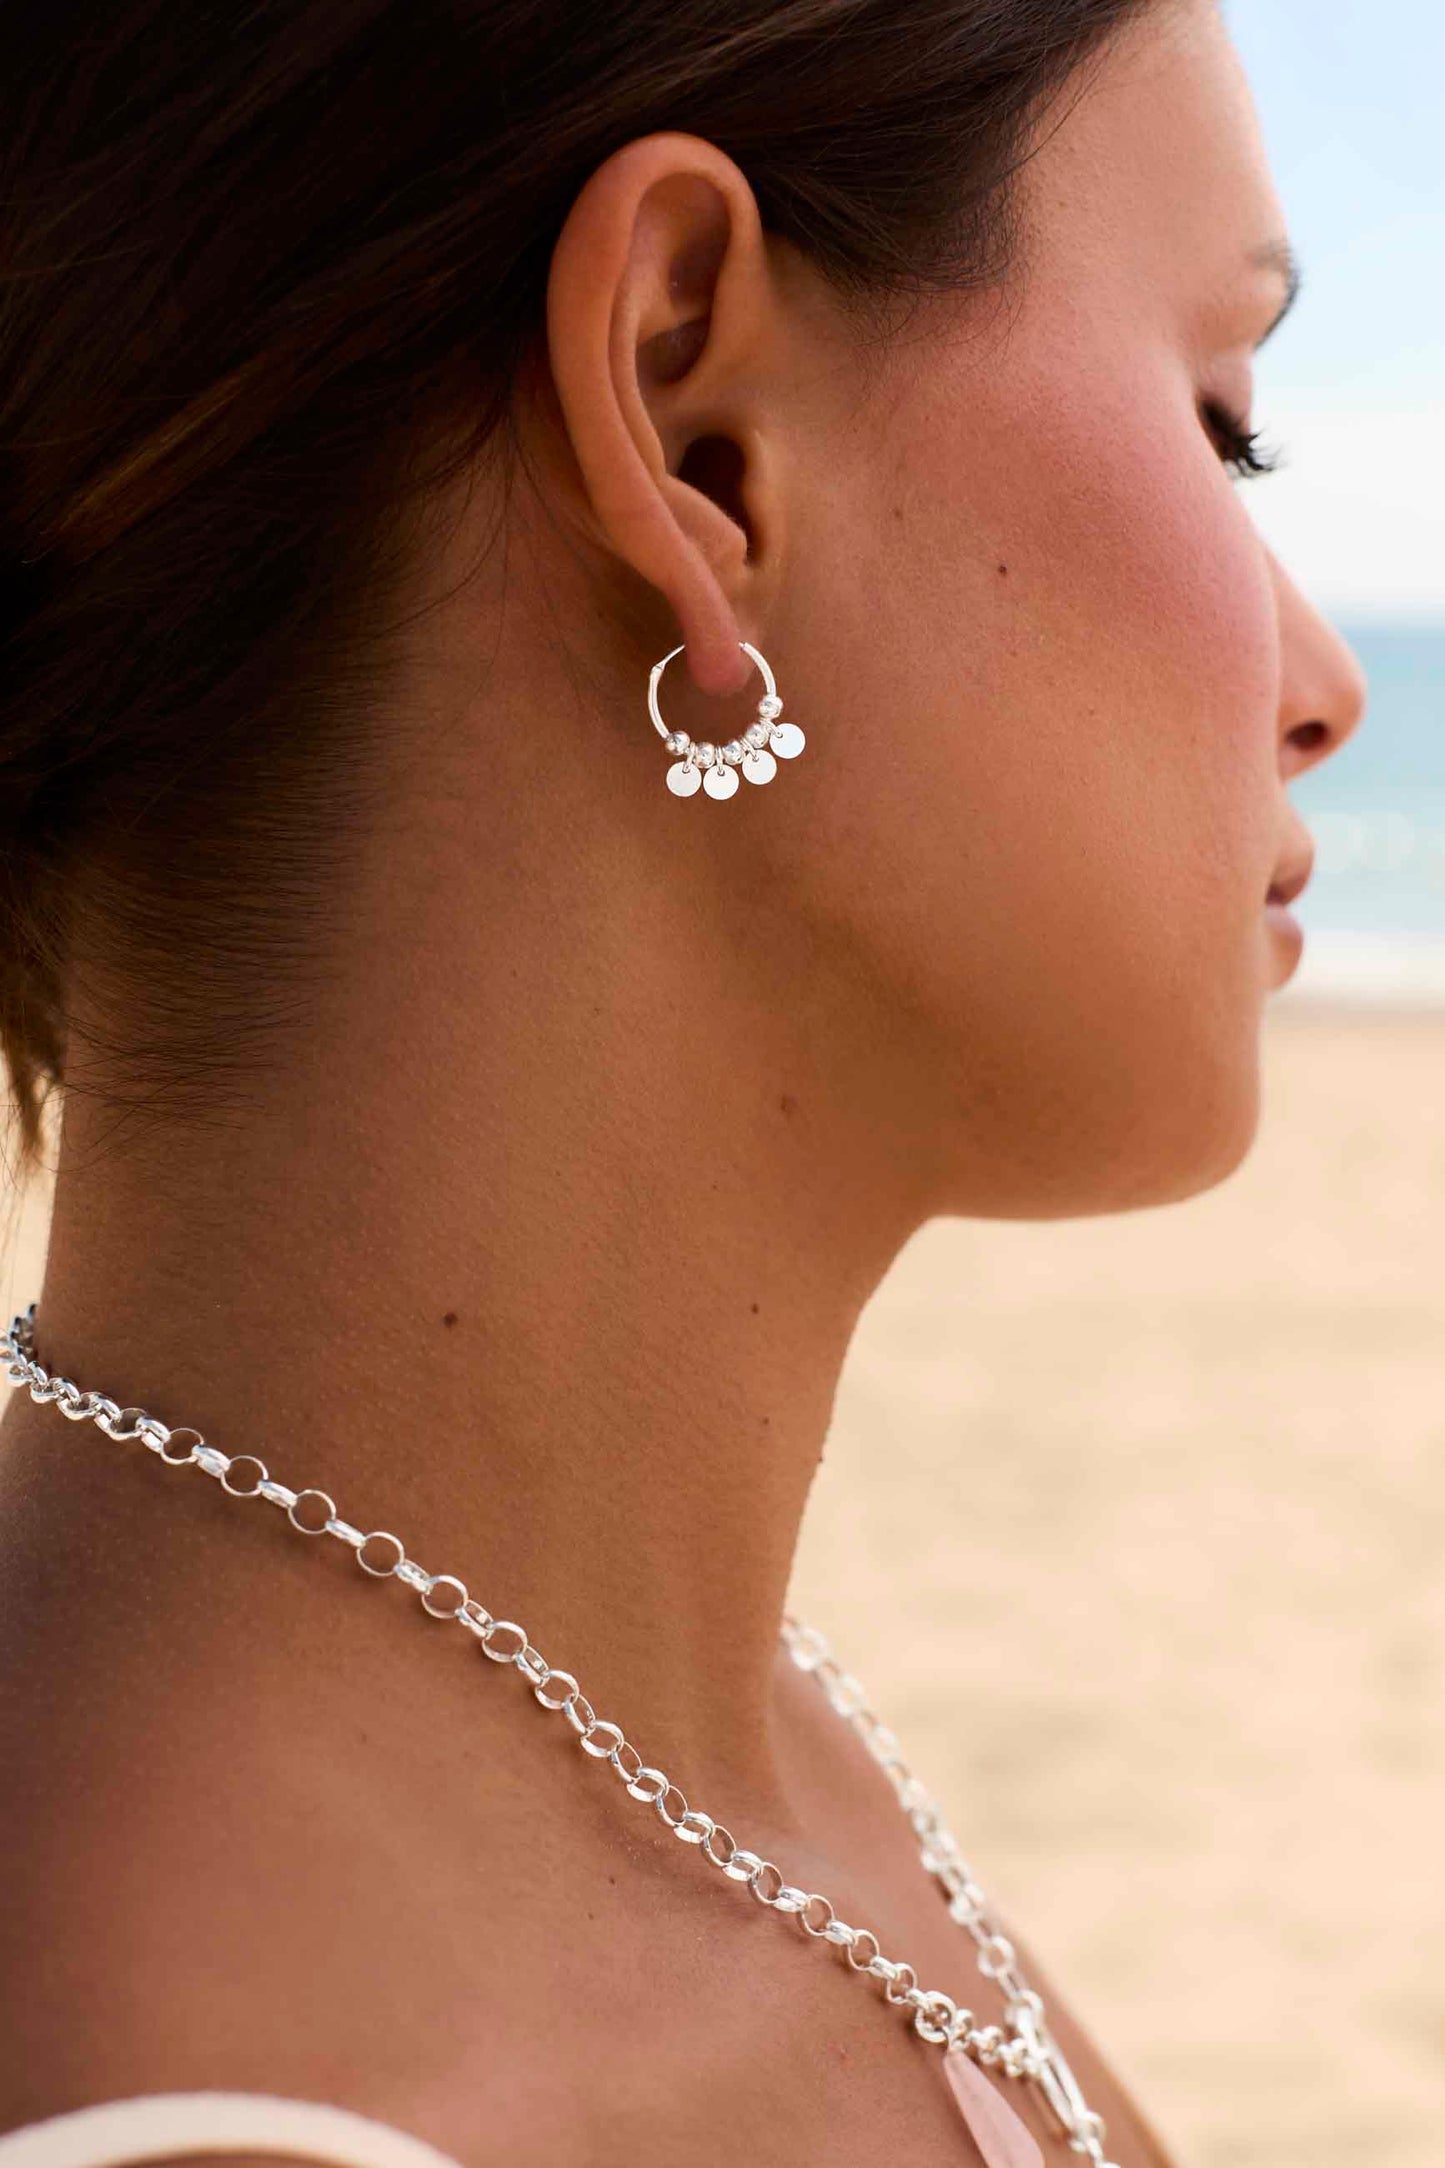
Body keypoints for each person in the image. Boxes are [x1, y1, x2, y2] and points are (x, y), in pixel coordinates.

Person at [0, 0, 1366, 2162]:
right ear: (690, 422)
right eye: (1221, 425)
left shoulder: (705, 1753)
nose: (1329, 687)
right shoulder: (233, 2105)